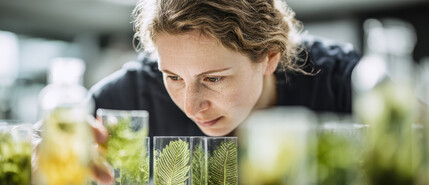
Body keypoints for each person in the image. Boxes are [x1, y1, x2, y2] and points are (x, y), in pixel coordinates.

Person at [89, 0, 360, 138]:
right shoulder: (127, 100)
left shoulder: (345, 85)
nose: (192, 106)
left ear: (269, 57)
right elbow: (54, 139)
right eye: (173, 77)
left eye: (214, 78)